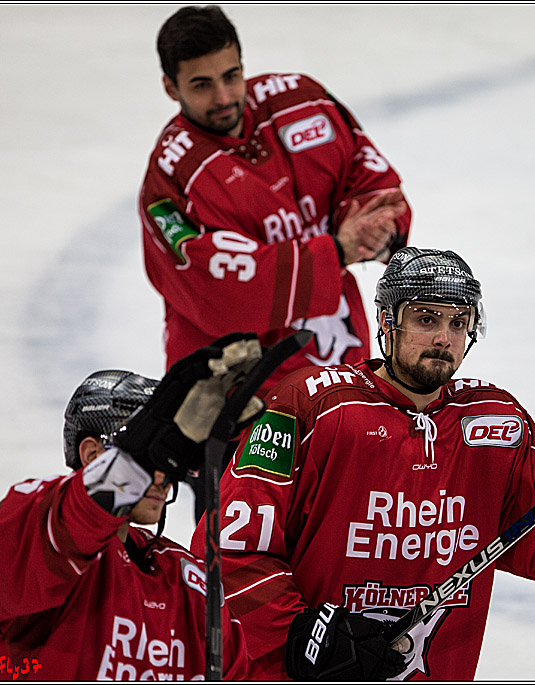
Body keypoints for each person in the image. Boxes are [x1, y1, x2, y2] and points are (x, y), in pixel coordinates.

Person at [190, 247, 535, 680]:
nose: (443, 337)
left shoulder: (495, 421)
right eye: (426, 318)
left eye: (459, 322)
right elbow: (228, 548)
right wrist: (300, 636)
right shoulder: (311, 405)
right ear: (386, 322)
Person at [140, 5, 412, 519]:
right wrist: (336, 249)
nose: (223, 97)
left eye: (231, 75)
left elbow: (369, 175)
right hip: (238, 404)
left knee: (345, 545)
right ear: (170, 88)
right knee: (244, 568)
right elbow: (225, 295)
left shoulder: (300, 100)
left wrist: (374, 228)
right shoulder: (172, 180)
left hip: (341, 379)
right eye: (201, 85)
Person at [0, 335, 265, 680]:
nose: (162, 472)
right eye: (146, 444)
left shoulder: (190, 583)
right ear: (91, 455)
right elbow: (74, 519)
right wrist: (136, 462)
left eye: (171, 449)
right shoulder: (29, 526)